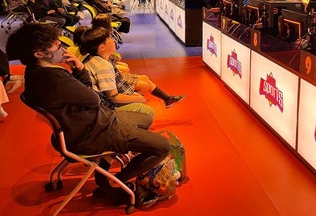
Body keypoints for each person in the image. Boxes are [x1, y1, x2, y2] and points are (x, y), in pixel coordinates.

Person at [6, 23, 170, 202]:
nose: (62, 48)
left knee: (144, 119)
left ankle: (107, 161)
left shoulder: (33, 72)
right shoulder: (54, 78)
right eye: (57, 45)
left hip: (81, 127)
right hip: (93, 133)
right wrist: (81, 70)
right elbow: (93, 99)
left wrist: (78, 71)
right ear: (39, 54)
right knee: (162, 147)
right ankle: (114, 181)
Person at [80, 26, 185, 111]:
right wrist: (138, 99)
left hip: (116, 87)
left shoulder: (97, 59)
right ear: (101, 47)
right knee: (144, 91)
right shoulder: (103, 67)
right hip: (111, 105)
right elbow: (113, 96)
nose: (113, 40)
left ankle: (167, 99)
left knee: (144, 80)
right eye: (110, 38)